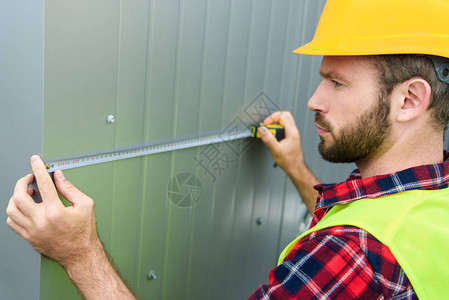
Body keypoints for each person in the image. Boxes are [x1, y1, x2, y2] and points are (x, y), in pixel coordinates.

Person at [6, 0, 449, 299]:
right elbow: (375, 215)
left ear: (409, 99)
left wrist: (80, 254)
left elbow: (360, 241)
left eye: (336, 83)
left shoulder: (346, 257)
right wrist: (296, 167)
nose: (315, 99)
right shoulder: (432, 195)